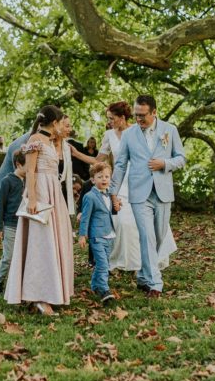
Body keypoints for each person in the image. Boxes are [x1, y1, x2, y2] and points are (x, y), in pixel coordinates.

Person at [109, 95, 186, 297]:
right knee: (146, 236)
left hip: (162, 192)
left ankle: (143, 276)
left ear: (154, 112)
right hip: (139, 193)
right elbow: (120, 165)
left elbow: (181, 158)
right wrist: (113, 192)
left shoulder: (170, 130)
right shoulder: (129, 134)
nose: (139, 119)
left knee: (159, 237)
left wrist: (165, 164)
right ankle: (155, 284)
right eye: (136, 115)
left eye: (143, 115)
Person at [3, 105, 74, 315]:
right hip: (41, 192)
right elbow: (31, 172)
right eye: (61, 122)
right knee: (41, 243)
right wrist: (33, 199)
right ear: (54, 123)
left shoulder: (51, 141)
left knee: (55, 240)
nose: (62, 126)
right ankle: (39, 296)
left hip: (54, 192)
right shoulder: (35, 140)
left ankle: (53, 291)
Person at [99, 100, 175, 274]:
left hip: (140, 178)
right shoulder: (110, 135)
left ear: (122, 117)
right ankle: (126, 260)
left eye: (112, 118)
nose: (109, 121)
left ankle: (148, 261)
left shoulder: (141, 131)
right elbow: (101, 160)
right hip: (120, 179)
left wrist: (160, 166)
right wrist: (73, 153)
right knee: (122, 221)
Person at [78, 161, 120, 303]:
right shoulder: (90, 197)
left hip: (109, 235)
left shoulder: (109, 195)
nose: (104, 179)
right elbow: (85, 217)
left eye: (107, 177)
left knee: (103, 263)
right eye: (100, 176)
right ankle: (104, 290)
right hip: (97, 236)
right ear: (92, 180)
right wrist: (82, 235)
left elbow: (109, 212)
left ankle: (95, 285)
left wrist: (117, 205)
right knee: (103, 265)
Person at [0, 149, 26, 297]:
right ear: (18, 164)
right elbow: (0, 205)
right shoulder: (7, 181)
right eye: (28, 165)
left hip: (24, 223)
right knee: (9, 256)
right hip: (10, 224)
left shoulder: (28, 181)